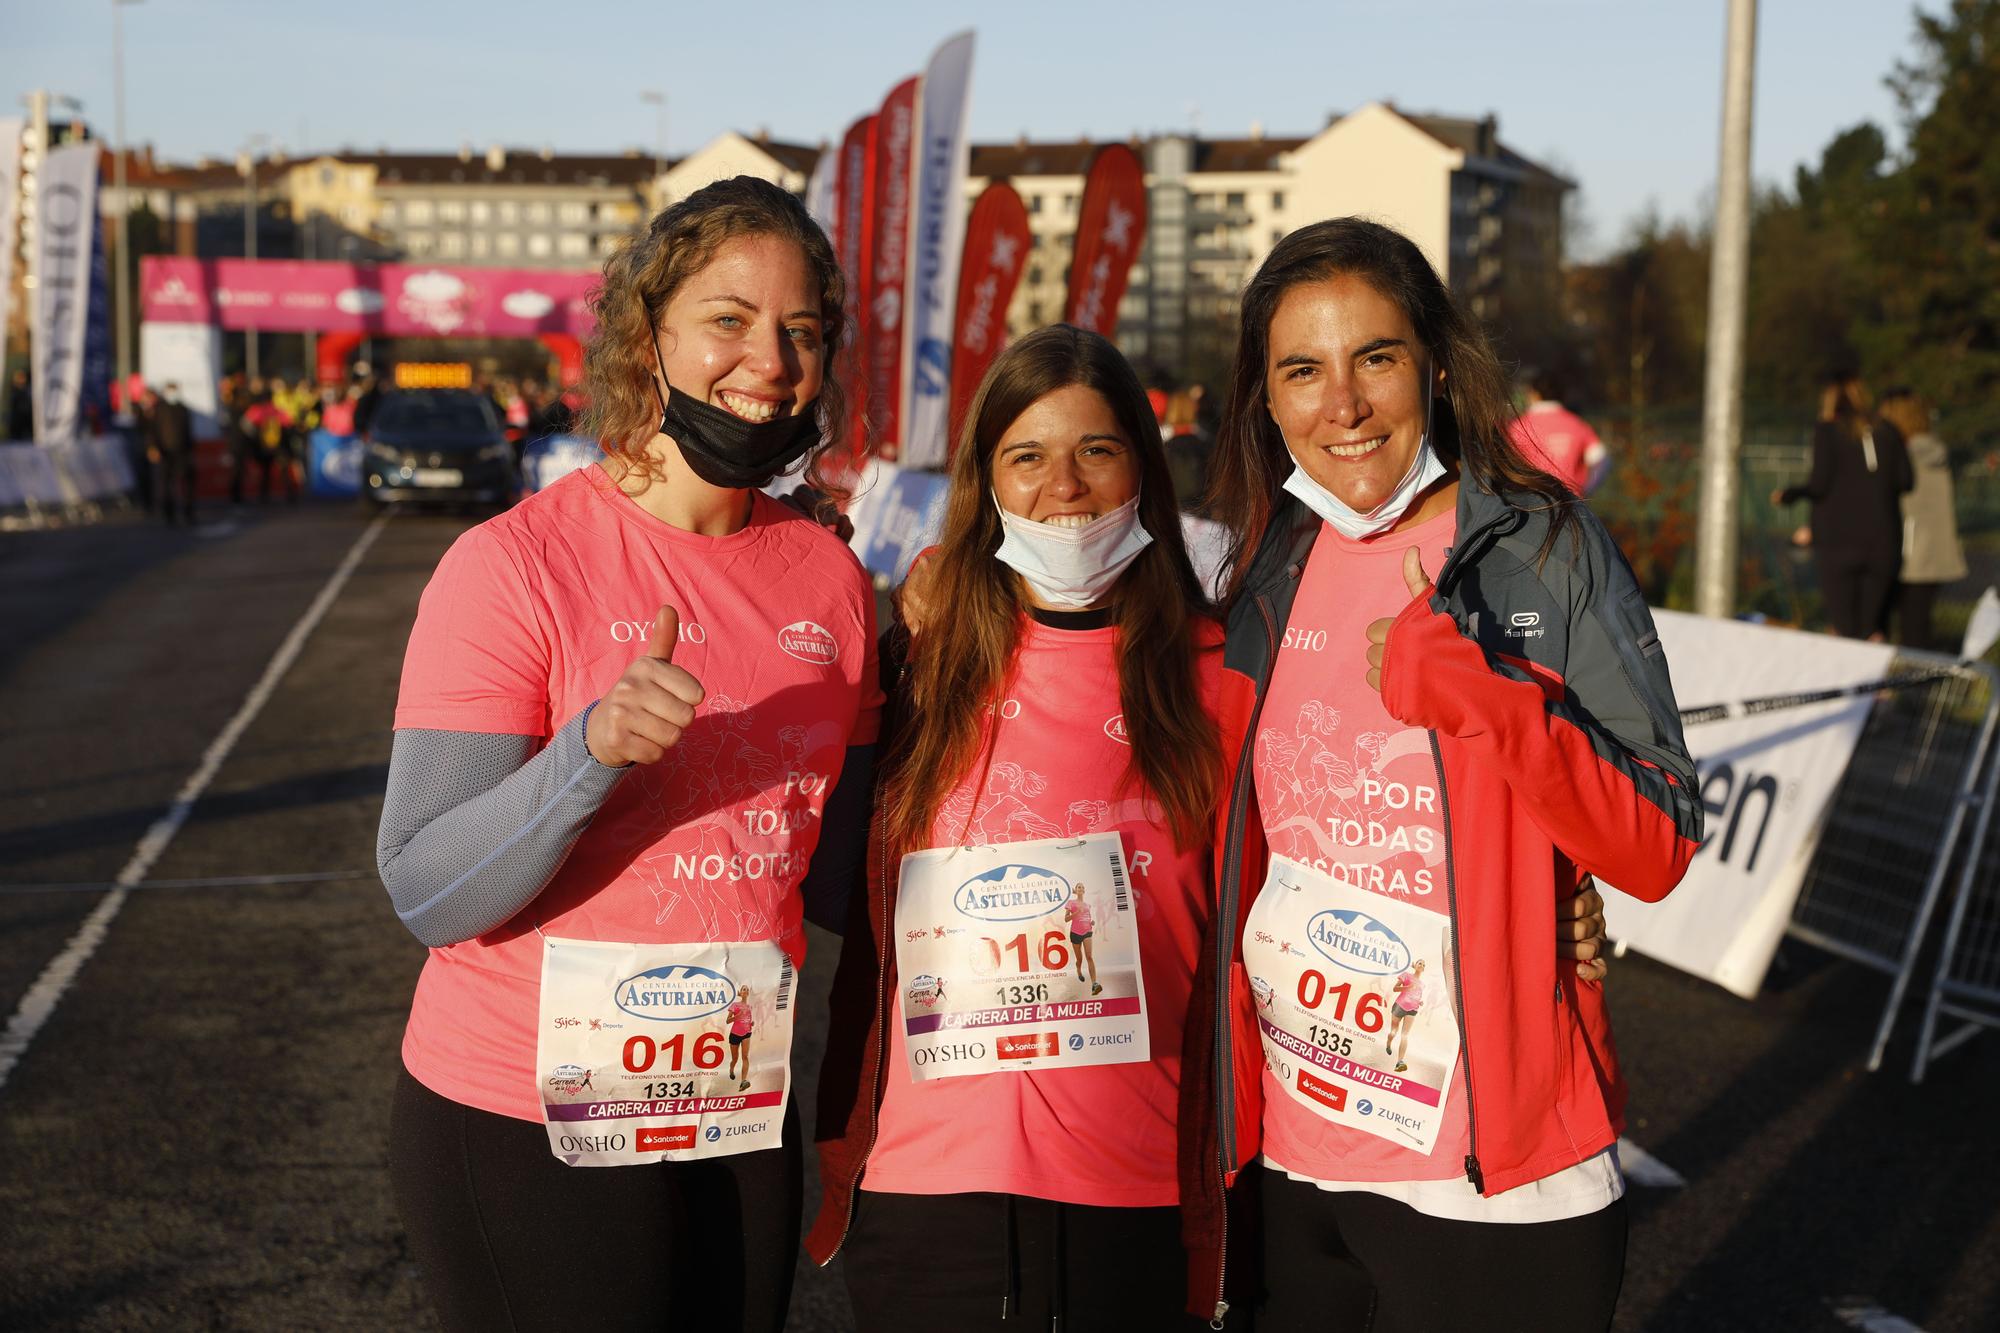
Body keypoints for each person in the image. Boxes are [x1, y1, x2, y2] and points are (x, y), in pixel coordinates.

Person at [813, 323, 1614, 1331]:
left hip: (1141, 1192)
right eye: (1025, 456)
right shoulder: (914, 667)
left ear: (1143, 476)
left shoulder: (1221, 674)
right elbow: (790, 864)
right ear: (984, 485)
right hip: (928, 1200)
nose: (1062, 487)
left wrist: (1551, 901)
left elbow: (1342, 834)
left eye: (1095, 451)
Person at [374, 176, 881, 1333]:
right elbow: (423, 887)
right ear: (646, 335)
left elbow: (846, 863)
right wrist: (587, 753)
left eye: (802, 331)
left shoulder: (829, 578)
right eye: (729, 319)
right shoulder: (513, 567)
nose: (770, 359)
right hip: (527, 1123)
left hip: (734, 1112)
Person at [1200, 217, 1700, 1333]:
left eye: (1373, 356)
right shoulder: (1268, 557)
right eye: (1301, 371)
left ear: (1430, 363)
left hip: (1496, 1180)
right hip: (1295, 1151)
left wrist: (1487, 700)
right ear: (1265, 401)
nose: (1343, 403)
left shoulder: (1541, 544)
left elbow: (1656, 841)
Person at [1774, 374, 1914, 640]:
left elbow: (1819, 484)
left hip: (1837, 542)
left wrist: (1789, 495)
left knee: (1845, 629)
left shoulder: (1828, 431)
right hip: (1883, 541)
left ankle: (1850, 678)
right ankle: (1874, 677)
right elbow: (1905, 480)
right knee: (1871, 626)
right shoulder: (1888, 430)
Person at [1879, 387, 1966, 651]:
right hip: (1930, 552)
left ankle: (1910, 687)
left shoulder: (1905, 457)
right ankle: (1915, 684)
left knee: (1905, 629)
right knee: (1917, 626)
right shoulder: (1935, 453)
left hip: (1908, 551)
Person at [1506, 368, 1610, 497]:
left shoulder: (1517, 427)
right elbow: (1602, 461)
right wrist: (1586, 490)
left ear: (1533, 393)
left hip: (1531, 505)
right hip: (1571, 504)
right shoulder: (1577, 425)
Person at [145, 381, 198, 526]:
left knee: (187, 483)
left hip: (182, 451)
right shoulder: (159, 409)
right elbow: (152, 430)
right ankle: (169, 515)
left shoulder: (183, 408)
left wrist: (191, 449)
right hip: (165, 452)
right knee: (166, 484)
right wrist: (152, 447)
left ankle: (188, 512)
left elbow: (188, 431)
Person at [726, 985, 756, 1090]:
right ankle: (731, 1069)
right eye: (744, 989)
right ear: (741, 992)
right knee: (735, 1058)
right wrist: (737, 1017)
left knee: (745, 1057)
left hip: (747, 1033)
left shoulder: (749, 1007)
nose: (746, 991)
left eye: (747, 990)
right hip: (735, 1034)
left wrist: (751, 1023)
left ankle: (743, 1081)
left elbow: (747, 1019)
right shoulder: (735, 1005)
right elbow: (727, 1020)